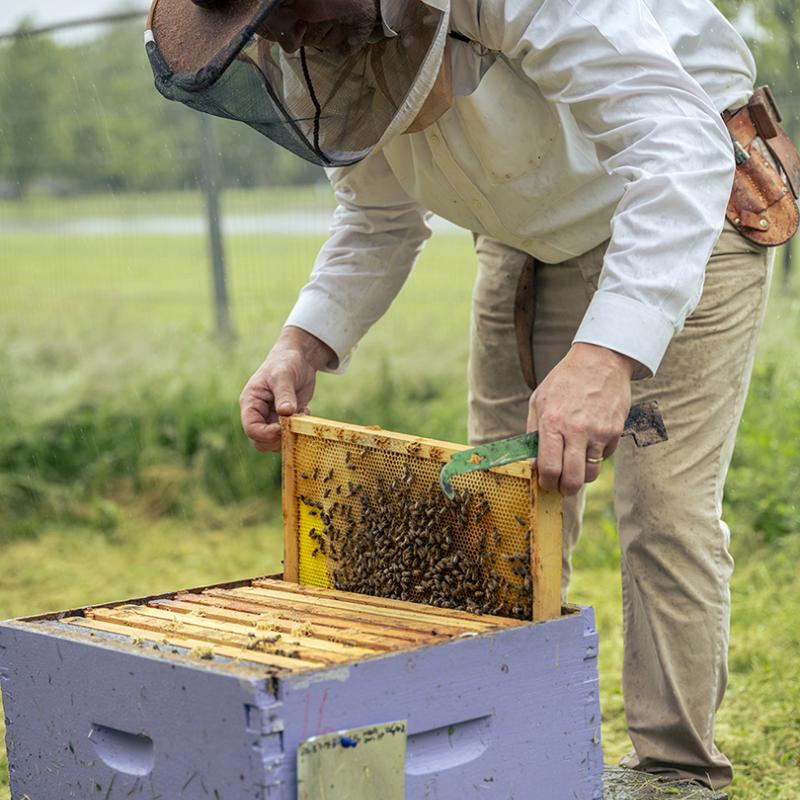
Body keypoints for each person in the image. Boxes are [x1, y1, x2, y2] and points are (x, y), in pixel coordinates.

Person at [146, 0, 798, 789]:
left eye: (281, 16)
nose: (283, 41)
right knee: (500, 507)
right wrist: (301, 342)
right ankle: (503, 752)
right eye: (262, 32)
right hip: (525, 241)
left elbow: (676, 148)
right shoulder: (315, 43)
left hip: (686, 208)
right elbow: (379, 215)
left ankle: (673, 769)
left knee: (663, 509)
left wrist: (606, 354)